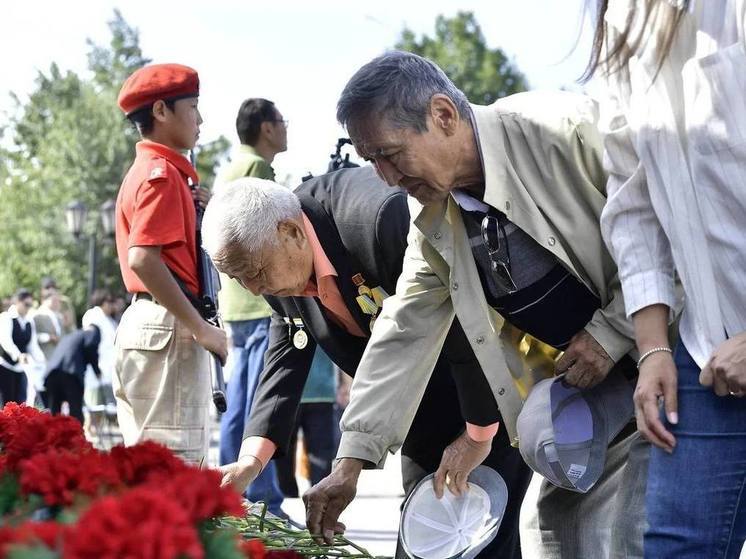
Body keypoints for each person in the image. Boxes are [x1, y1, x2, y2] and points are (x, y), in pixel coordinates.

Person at [302, 51, 651, 558]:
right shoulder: (437, 217)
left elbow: (668, 232)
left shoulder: (565, 132)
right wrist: (352, 460)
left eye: (390, 154)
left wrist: (614, 329)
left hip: (674, 358)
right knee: (553, 531)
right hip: (595, 391)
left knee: (642, 535)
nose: (386, 178)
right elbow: (404, 328)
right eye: (369, 160)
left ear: (443, 115)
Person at [202, 170, 533, 559]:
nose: (254, 290)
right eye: (238, 279)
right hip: (415, 406)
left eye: (255, 274)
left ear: (291, 232)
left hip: (484, 389)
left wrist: (477, 436)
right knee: (429, 541)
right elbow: (289, 353)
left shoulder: (380, 220)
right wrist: (250, 462)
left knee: (477, 540)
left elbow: (465, 322)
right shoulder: (273, 257)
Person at [587, 1, 746, 556]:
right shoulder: (622, 26)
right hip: (709, 350)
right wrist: (653, 348)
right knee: (676, 545)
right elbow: (633, 204)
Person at [112, 63, 227, 463]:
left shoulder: (155, 171)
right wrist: (200, 329)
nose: (200, 118)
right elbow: (143, 258)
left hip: (152, 322)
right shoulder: (162, 175)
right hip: (170, 324)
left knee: (150, 471)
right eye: (192, 107)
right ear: (161, 111)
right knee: (175, 475)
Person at [213, 98, 288, 512]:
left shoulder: (230, 168)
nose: (285, 129)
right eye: (282, 122)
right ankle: (263, 501)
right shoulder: (257, 170)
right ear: (266, 128)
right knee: (261, 409)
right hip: (260, 302)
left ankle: (237, 495)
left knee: (241, 405)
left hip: (237, 305)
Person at [274, 347, 338, 497]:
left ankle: (287, 493)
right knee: (321, 451)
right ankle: (319, 492)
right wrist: (346, 384)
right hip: (320, 389)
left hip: (288, 391)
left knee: (283, 449)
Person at [45, 325, 101, 424]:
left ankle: (53, 436)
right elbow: (91, 347)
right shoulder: (91, 333)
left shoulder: (70, 335)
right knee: (76, 412)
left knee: (53, 412)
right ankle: (76, 436)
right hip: (71, 373)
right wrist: (97, 371)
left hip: (51, 372)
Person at [0, 289, 45, 406]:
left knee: (21, 404)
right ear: (18, 302)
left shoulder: (29, 321)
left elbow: (32, 346)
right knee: (7, 404)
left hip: (21, 369)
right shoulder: (6, 317)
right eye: (26, 305)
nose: (28, 308)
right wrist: (18, 355)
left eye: (30, 305)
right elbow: (5, 341)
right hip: (5, 366)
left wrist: (43, 361)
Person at [81, 289, 118, 407]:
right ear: (102, 301)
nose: (112, 305)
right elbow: (90, 343)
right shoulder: (93, 315)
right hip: (96, 368)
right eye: (110, 302)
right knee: (95, 406)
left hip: (109, 370)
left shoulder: (110, 320)